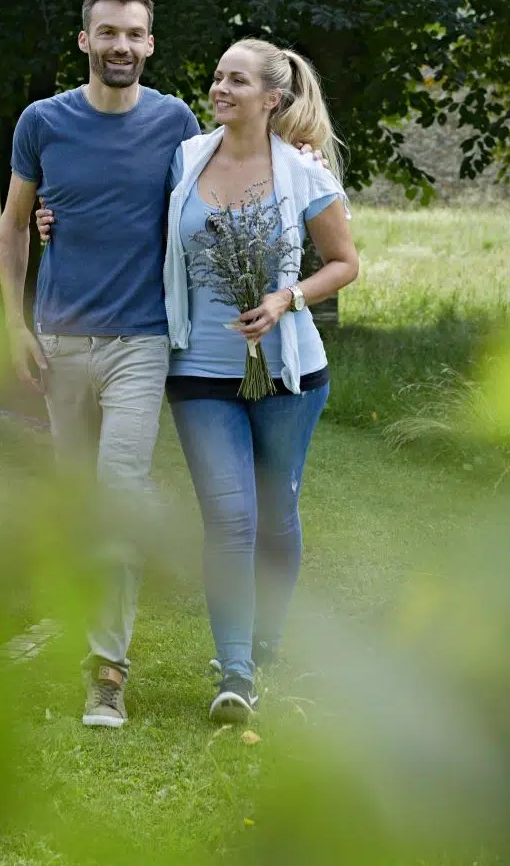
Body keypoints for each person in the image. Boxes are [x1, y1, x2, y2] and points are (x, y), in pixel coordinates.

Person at [0, 0, 199, 729]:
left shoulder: (177, 122)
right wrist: (14, 325)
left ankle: (107, 671)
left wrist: (297, 148)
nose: (121, 45)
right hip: (59, 342)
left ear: (150, 44)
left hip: (140, 341)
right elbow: (15, 226)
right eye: (107, 33)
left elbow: (219, 191)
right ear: (85, 41)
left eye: (134, 34)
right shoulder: (41, 123)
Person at [162, 38, 359, 724]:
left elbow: (344, 263)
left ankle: (268, 638)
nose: (219, 88)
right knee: (231, 517)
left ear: (272, 98)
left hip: (290, 375)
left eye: (236, 80)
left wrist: (285, 300)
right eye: (216, 76)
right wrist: (53, 221)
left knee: (274, 515)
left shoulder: (302, 172)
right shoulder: (185, 159)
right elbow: (137, 227)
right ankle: (236, 672)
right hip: (198, 371)